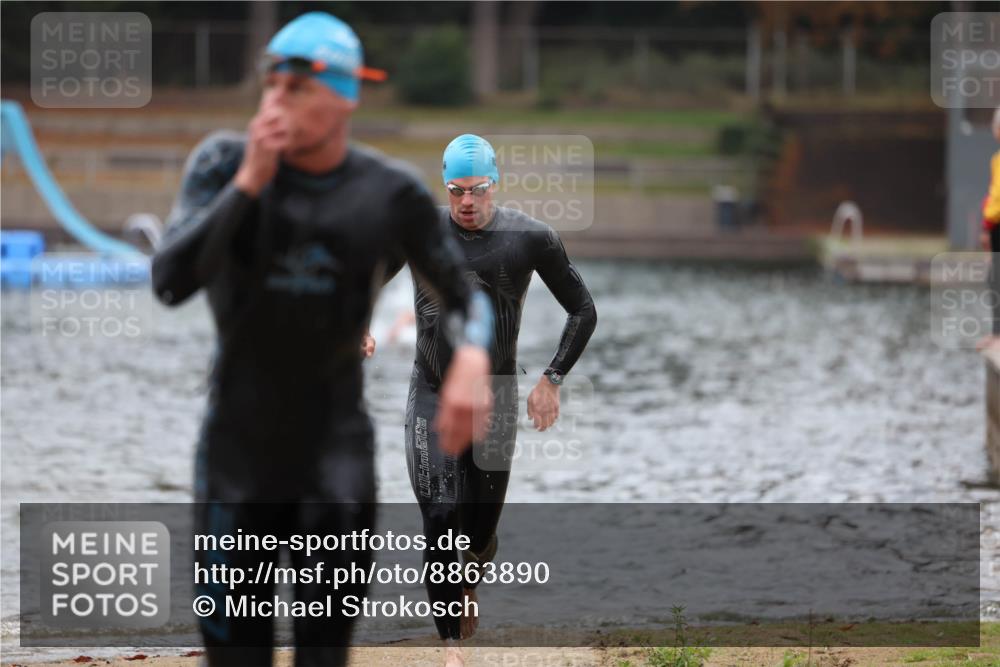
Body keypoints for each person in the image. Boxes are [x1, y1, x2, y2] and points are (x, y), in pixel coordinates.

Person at [151, 13, 494, 667]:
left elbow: (469, 297)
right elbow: (170, 280)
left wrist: (474, 356)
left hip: (333, 456)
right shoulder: (223, 162)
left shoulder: (387, 193)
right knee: (236, 654)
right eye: (269, 82)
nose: (276, 100)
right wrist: (249, 183)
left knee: (322, 652)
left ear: (345, 95)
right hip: (236, 455)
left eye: (297, 85)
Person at [389, 134, 597, 666]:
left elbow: (582, 309)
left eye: (477, 190)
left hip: (497, 398)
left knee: (477, 530)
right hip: (432, 390)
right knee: (440, 513)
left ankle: (472, 575)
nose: (466, 201)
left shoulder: (531, 238)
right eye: (456, 190)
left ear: (494, 184)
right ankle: (451, 648)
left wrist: (551, 378)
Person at [980, 106, 1000, 352]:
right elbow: (992, 196)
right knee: (993, 278)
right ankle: (996, 333)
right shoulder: (996, 160)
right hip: (995, 225)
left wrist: (987, 223)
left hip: (997, 223)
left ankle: (998, 335)